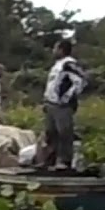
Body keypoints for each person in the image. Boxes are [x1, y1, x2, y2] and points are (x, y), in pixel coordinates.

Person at [42, 38, 87, 170]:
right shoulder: (57, 65)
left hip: (62, 105)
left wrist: (67, 96)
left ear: (61, 50)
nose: (53, 51)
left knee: (64, 132)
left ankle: (65, 161)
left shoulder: (69, 64)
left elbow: (81, 80)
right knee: (51, 132)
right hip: (51, 103)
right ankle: (50, 160)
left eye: (55, 48)